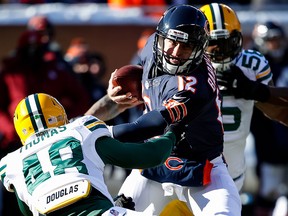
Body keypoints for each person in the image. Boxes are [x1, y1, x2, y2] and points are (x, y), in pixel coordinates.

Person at [89, 4, 241, 215]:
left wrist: (97, 132)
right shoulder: (151, 47)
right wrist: (92, 114)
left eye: (186, 47)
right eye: (172, 42)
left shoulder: (196, 85)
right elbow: (133, 91)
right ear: (160, 37)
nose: (176, 53)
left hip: (201, 168)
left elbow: (152, 124)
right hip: (153, 166)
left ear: (199, 49)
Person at [0, 93, 181, 216]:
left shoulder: (11, 163)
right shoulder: (79, 130)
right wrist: (173, 134)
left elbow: (27, 211)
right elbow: (149, 156)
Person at [0, 30, 91, 216]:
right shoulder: (11, 72)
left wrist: (66, 122)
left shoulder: (55, 69)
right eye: (30, 48)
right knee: (14, 190)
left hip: (55, 138)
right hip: (16, 142)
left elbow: (81, 97)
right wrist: (9, 129)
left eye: (38, 48)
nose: (34, 52)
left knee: (58, 181)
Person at [249, 21, 288, 216]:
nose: (277, 44)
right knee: (268, 191)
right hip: (269, 141)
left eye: (278, 39)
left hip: (282, 134)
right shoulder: (256, 66)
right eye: (272, 40)